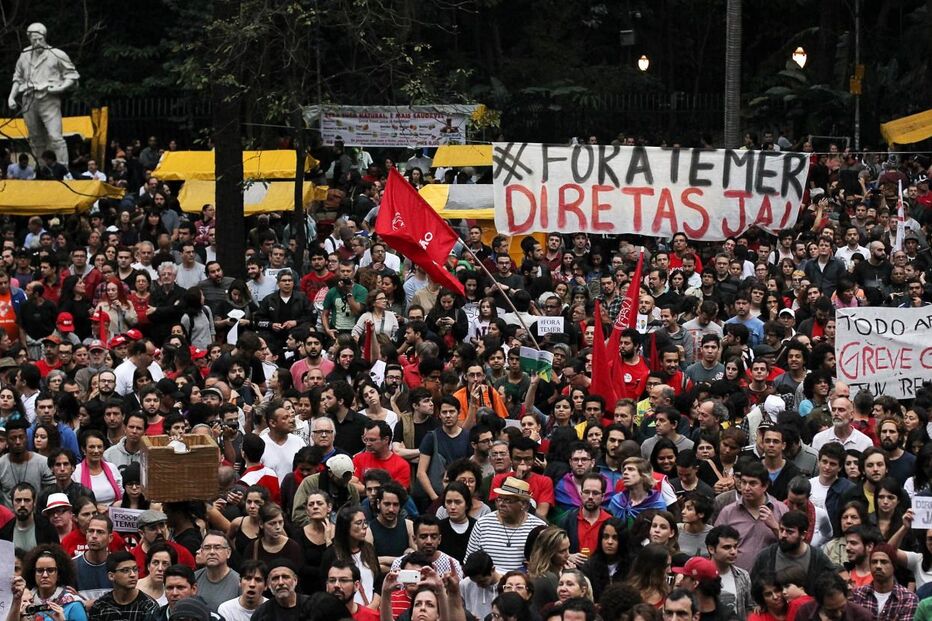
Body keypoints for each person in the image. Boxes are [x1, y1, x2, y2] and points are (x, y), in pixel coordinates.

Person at [8, 23, 80, 165]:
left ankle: (63, 170)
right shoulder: (24, 55)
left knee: (55, 136)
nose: (38, 42)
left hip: (49, 97)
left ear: (45, 37)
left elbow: (72, 75)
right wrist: (11, 96)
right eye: (34, 39)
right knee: (35, 137)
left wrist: (60, 88)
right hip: (28, 99)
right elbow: (17, 78)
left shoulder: (56, 54)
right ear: (29, 38)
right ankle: (41, 170)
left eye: (40, 39)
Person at [713, 460, 787, 571]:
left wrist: (775, 527)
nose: (746, 488)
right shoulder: (728, 512)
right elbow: (714, 545)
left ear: (765, 486)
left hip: (770, 580)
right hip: (735, 579)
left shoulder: (780, 510)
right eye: (744, 482)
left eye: (753, 483)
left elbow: (793, 546)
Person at [466, 476, 547, 572]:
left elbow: (545, 565)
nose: (501, 504)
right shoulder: (482, 524)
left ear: (524, 505)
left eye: (508, 500)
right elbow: (469, 562)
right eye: (499, 499)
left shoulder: (538, 528)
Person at [749, 510, 838, 595]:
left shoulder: (817, 558)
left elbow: (833, 584)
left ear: (803, 535)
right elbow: (752, 587)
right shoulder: (766, 556)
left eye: (789, 532)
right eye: (781, 529)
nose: (783, 535)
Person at [849, 543, 917, 620]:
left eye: (884, 562)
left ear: (894, 566)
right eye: (874, 562)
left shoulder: (908, 599)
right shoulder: (857, 595)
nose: (878, 566)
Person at [22, 543, 87, 621]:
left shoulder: (73, 604)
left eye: (50, 570)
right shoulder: (24, 601)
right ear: (33, 573)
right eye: (40, 571)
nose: (45, 575)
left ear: (59, 574)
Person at [88, 550, 160, 620]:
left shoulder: (149, 606)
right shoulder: (100, 607)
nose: (133, 575)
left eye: (135, 569)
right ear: (111, 576)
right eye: (126, 570)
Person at [250, 559, 316, 620]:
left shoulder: (312, 606)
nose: (280, 582)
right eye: (275, 578)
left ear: (295, 580)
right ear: (268, 584)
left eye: (285, 577)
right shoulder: (261, 613)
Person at [194, 530, 240, 611]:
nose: (212, 552)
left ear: (228, 552)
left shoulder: (239, 582)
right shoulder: (194, 578)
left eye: (217, 548)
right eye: (207, 548)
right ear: (201, 551)